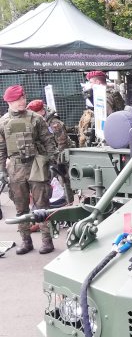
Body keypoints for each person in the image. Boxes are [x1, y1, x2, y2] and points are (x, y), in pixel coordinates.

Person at [0, 85, 58, 254]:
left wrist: (52, 163)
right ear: (9, 101)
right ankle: (26, 241)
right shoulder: (3, 122)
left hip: (36, 165)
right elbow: (1, 149)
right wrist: (2, 170)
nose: (21, 102)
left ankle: (47, 241)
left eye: (23, 98)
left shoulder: (36, 119)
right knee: (20, 207)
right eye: (17, 99)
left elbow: (49, 142)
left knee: (42, 204)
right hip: (16, 168)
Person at [27, 99, 74, 204]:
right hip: (49, 153)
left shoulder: (54, 123)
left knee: (64, 177)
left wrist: (59, 159)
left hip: (61, 153)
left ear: (40, 111)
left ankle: (69, 201)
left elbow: (62, 142)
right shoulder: (41, 120)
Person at [77, 71, 125, 146]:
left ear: (97, 82)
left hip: (109, 133)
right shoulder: (113, 92)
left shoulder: (103, 96)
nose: (90, 85)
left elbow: (107, 116)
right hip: (118, 129)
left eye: (91, 82)